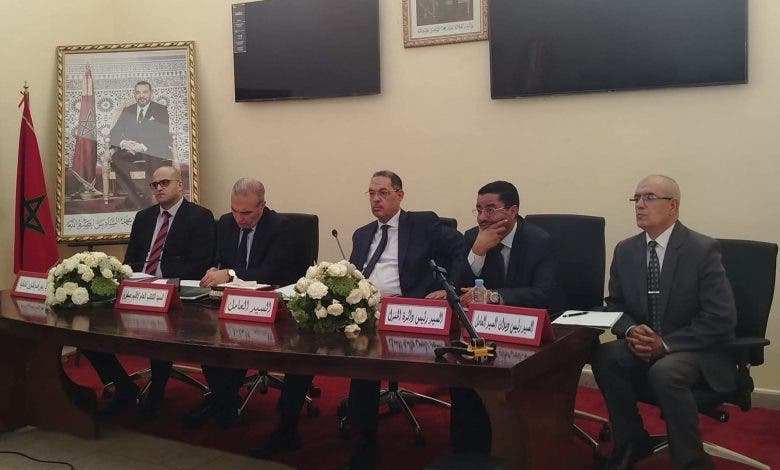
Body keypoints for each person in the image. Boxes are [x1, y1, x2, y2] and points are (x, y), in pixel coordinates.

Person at [250, 170, 467, 469]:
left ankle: (366, 441)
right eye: (371, 193)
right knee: (304, 346)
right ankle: (286, 428)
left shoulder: (423, 223)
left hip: (403, 313)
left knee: (366, 357)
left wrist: (448, 288)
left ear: (400, 195)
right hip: (362, 309)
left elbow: (461, 249)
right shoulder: (362, 234)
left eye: (383, 193)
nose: (376, 199)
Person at [592, 175, 736, 470]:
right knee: (605, 355)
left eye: (648, 197)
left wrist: (665, 344)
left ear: (673, 205)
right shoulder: (626, 250)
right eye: (636, 198)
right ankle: (631, 440)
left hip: (695, 348)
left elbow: (720, 318)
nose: (639, 205)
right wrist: (631, 330)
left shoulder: (702, 249)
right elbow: (615, 305)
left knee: (666, 371)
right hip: (646, 344)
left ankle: (691, 461)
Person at [81, 165, 215, 421]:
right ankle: (123, 386)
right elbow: (131, 260)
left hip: (175, 293)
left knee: (159, 328)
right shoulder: (144, 217)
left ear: (180, 185)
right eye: (154, 185)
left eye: (164, 183)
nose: (158, 188)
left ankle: (156, 395)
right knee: (88, 327)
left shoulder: (199, 216)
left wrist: (159, 283)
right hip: (137, 289)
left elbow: (199, 264)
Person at [450, 180, 565, 454]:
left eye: (490, 209)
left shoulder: (539, 241)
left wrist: (494, 296)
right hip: (486, 329)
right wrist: (477, 252)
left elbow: (543, 294)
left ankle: (513, 446)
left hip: (533, 327)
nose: (482, 217)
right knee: (461, 368)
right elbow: (456, 289)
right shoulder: (473, 237)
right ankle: (468, 452)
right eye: (478, 209)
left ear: (512, 211)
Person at [182, 178, 299, 429]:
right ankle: (223, 398)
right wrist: (214, 269)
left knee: (236, 338)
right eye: (234, 210)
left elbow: (272, 271)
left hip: (268, 305)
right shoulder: (226, 222)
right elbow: (219, 259)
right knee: (204, 336)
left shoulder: (282, 227)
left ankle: (222, 402)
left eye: (246, 213)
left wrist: (231, 274)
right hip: (228, 301)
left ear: (262, 206)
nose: (239, 218)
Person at [109, 80, 173, 209]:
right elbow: (114, 133)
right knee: (116, 159)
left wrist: (143, 146)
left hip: (153, 149)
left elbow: (162, 134)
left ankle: (145, 197)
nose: (141, 95)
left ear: (151, 93)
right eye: (138, 92)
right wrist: (124, 143)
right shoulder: (128, 110)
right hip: (132, 150)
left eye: (145, 92)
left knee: (153, 157)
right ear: (134, 94)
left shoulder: (160, 110)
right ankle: (137, 199)